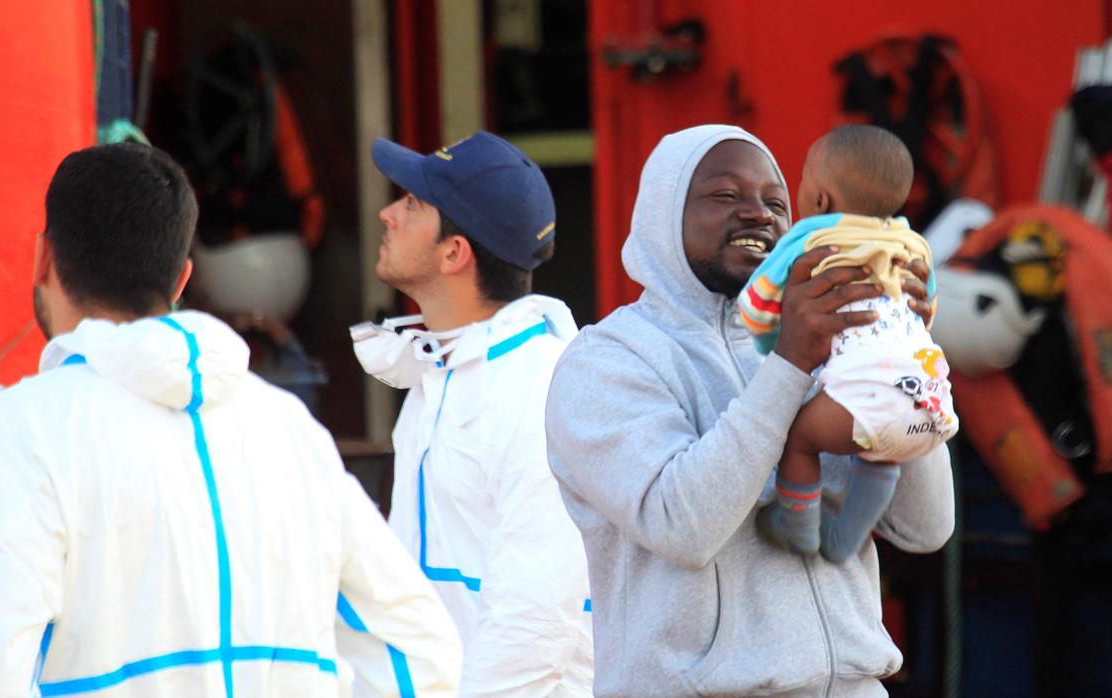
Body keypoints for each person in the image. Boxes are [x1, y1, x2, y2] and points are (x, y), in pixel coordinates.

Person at [0, 143, 461, 697]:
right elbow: (421, 649)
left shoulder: (13, 433)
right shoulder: (289, 428)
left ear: (44, 260)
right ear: (181, 281)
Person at [545, 124, 954, 697]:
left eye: (775, 201)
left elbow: (925, 527)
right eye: (724, 195)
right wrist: (788, 364)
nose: (758, 214)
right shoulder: (607, 362)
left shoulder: (828, 338)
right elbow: (682, 526)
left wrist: (903, 355)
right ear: (664, 215)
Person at [353, 131, 592, 696]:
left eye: (411, 204)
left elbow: (533, 620)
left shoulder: (542, 386)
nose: (387, 214)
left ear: (454, 253)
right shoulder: (443, 367)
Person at [739, 125, 959, 561]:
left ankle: (798, 528)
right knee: (881, 456)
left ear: (819, 200)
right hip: (930, 396)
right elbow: (925, 304)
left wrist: (768, 345)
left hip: (865, 394)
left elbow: (757, 303)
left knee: (800, 439)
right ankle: (844, 542)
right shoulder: (911, 242)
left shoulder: (810, 239)